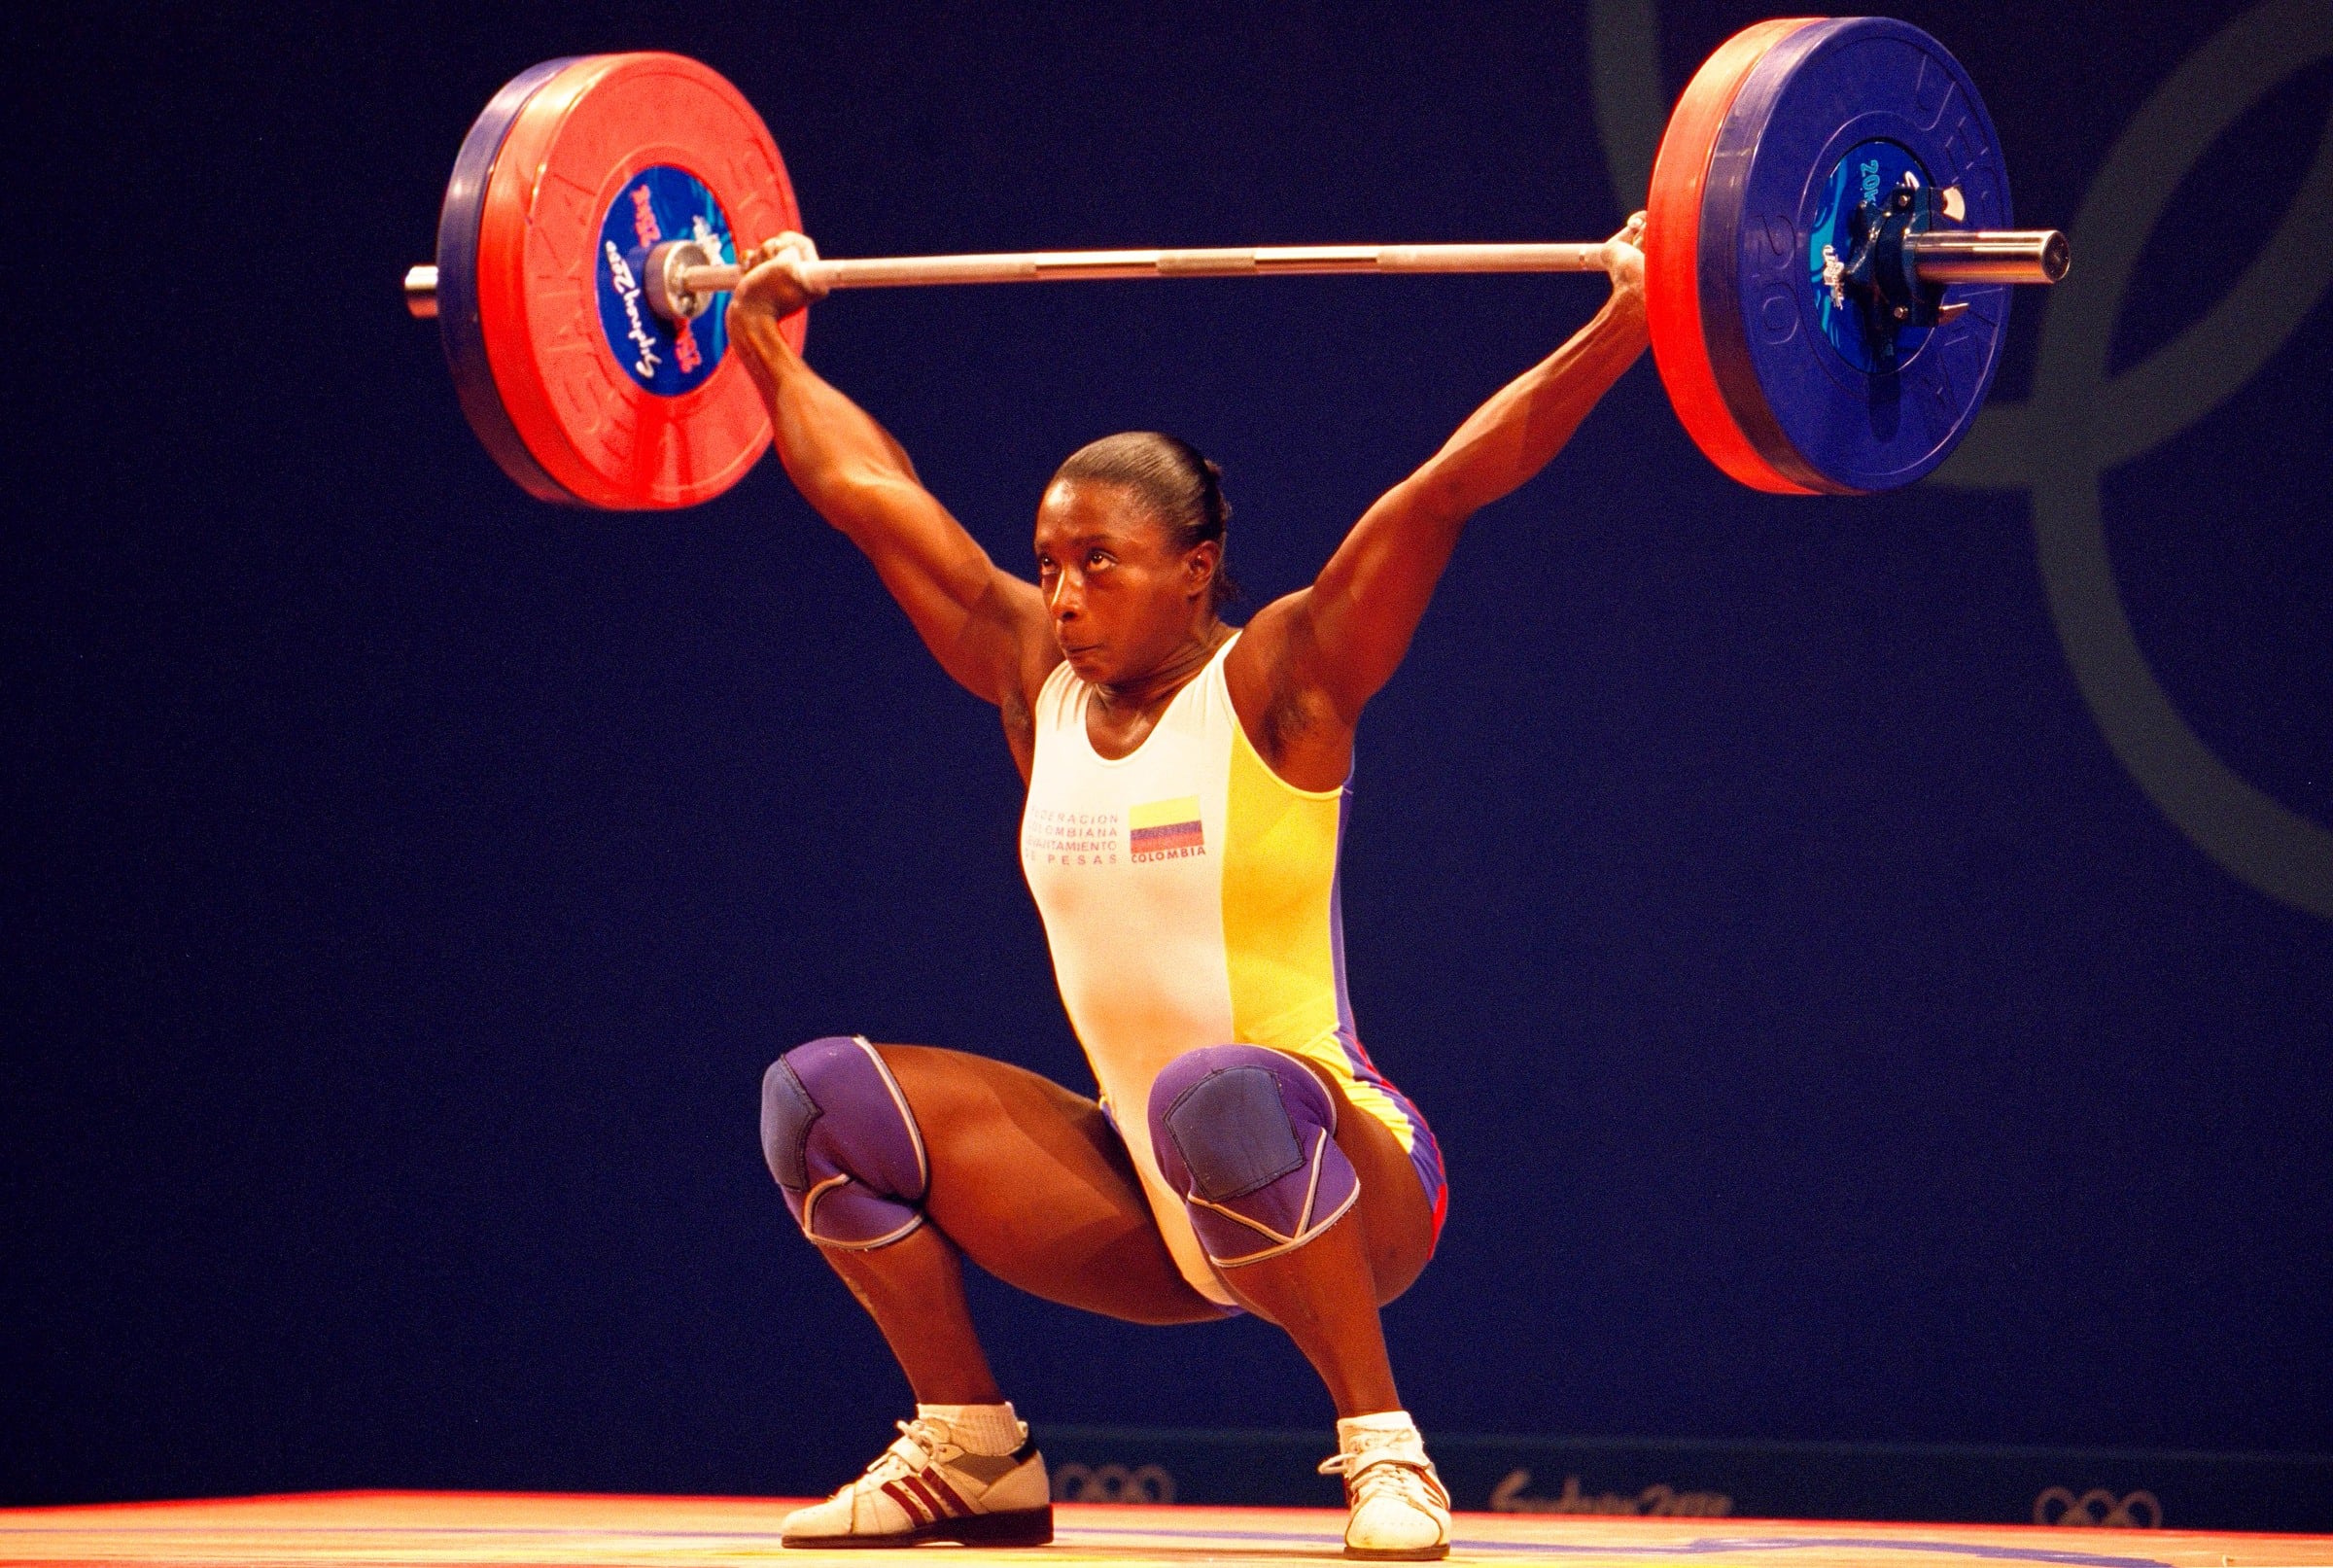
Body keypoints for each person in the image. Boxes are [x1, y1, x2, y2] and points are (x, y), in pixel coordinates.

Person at [726, 213, 1649, 1560]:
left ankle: (1385, 1450)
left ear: (1198, 566)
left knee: (1211, 1092)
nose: (1064, 593)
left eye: (1100, 560)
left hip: (1343, 1167)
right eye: (1048, 561)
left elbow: (1447, 489)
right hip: (1154, 1196)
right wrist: (758, 343)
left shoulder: (1283, 679)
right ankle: (972, 1444)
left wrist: (1627, 319)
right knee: (817, 1103)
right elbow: (872, 497)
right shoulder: (1028, 675)